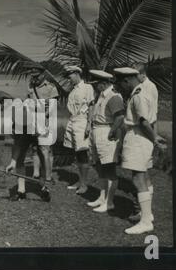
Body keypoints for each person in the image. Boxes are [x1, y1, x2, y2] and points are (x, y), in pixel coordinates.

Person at [113, 67, 164, 234]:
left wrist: (155, 138)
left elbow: (143, 121)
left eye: (120, 84)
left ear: (126, 80)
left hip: (138, 139)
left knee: (138, 178)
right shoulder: (140, 92)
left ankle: (145, 221)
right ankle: (146, 215)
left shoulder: (138, 96)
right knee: (144, 177)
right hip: (142, 139)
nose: (119, 88)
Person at [86, 70, 125, 213]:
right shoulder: (101, 96)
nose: (95, 87)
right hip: (97, 130)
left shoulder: (113, 96)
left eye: (96, 84)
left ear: (103, 83)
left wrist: (112, 131)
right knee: (99, 166)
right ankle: (102, 197)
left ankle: (110, 202)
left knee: (109, 168)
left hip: (106, 131)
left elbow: (120, 117)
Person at [129, 62, 160, 222]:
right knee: (143, 174)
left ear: (142, 74)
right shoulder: (140, 87)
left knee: (141, 175)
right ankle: (143, 211)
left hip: (145, 133)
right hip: (144, 131)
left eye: (135, 75)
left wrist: (154, 137)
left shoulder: (149, 87)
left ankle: (144, 212)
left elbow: (151, 115)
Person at [63, 66, 95, 194]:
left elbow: (91, 106)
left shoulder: (87, 88)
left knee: (82, 153)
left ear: (76, 73)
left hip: (82, 121)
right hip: (73, 121)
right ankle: (80, 181)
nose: (69, 78)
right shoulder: (73, 90)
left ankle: (84, 184)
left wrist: (89, 124)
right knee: (77, 153)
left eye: (70, 75)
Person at [26, 67, 59, 185]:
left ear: (43, 75)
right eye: (33, 76)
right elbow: (29, 101)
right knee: (35, 148)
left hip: (46, 120)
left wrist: (44, 117)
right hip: (34, 120)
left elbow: (53, 105)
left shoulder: (50, 87)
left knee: (46, 149)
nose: (34, 78)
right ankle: (36, 173)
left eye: (37, 76)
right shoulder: (30, 86)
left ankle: (48, 177)